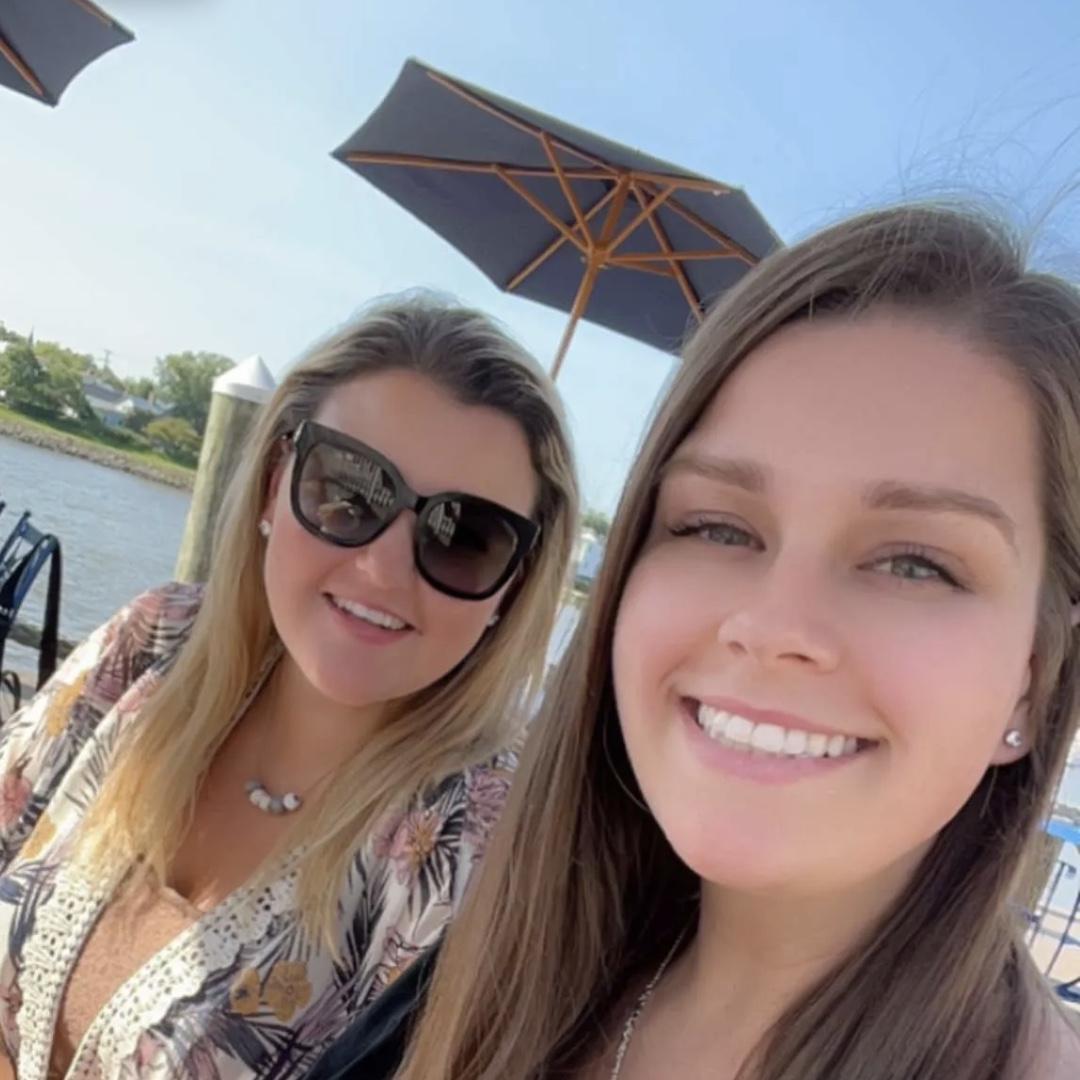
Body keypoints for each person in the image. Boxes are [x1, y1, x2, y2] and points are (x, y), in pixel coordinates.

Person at [316, 205, 1080, 1080]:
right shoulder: (502, 971)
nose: (771, 627)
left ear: (1034, 680)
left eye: (916, 564)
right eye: (717, 527)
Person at [0, 293, 578, 1078]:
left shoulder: (471, 847)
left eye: (465, 537)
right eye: (351, 491)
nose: (382, 570)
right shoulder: (155, 643)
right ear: (276, 484)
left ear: (515, 587)